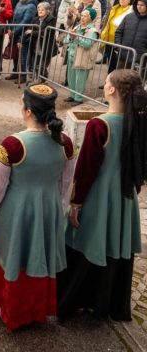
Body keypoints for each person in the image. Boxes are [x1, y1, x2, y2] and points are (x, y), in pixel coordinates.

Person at [0, 84, 76, 331]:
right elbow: (66, 184)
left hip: (17, 212)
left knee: (13, 255)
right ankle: (35, 308)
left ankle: (6, 305)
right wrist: (59, 209)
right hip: (48, 209)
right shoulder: (65, 143)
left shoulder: (12, 145)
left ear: (28, 111)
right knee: (37, 256)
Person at [58, 69, 146, 321]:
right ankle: (107, 305)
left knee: (84, 244)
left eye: (106, 81)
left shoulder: (100, 125)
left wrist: (75, 203)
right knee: (113, 248)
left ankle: (77, 302)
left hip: (99, 197)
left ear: (110, 90)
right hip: (125, 196)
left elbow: (85, 170)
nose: (104, 84)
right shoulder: (138, 121)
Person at [64, 8, 99, 105]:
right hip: (72, 55)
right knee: (71, 78)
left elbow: (88, 44)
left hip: (83, 58)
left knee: (80, 79)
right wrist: (70, 36)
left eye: (85, 16)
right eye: (82, 15)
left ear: (91, 18)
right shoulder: (77, 27)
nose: (82, 18)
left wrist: (76, 37)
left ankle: (78, 98)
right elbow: (66, 40)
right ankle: (72, 95)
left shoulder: (93, 31)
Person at [114, 0, 147, 71]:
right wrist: (118, 47)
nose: (139, 6)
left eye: (142, 5)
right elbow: (118, 32)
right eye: (138, 4)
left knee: (135, 81)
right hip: (123, 56)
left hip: (140, 59)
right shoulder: (129, 17)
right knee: (120, 80)